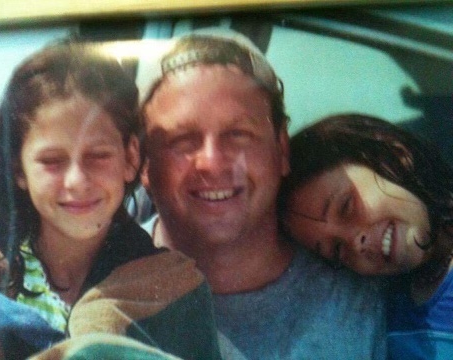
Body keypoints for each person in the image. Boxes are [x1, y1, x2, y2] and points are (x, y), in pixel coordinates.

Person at [137, 28, 387, 359]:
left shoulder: (358, 303)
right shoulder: (87, 292)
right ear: (143, 164)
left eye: (239, 134)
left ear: (281, 149)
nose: (212, 163)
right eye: (182, 140)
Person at [0, 41, 220, 360]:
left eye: (98, 155)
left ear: (130, 157)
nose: (77, 181)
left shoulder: (176, 290)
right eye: (52, 160)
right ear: (19, 169)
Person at [280, 113, 453, 359]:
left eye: (346, 207)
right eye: (337, 250)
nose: (355, 242)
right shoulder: (391, 305)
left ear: (394, 157)